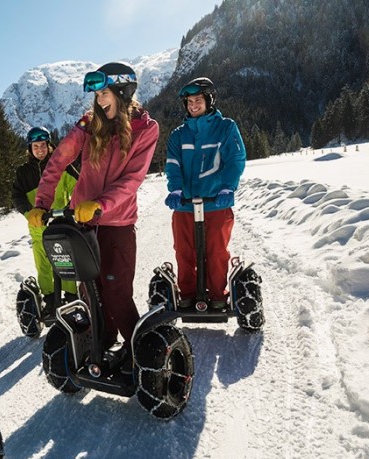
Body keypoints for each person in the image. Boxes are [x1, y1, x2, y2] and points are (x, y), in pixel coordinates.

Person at [27, 62, 159, 355]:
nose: (99, 100)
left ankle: (141, 354)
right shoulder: (88, 126)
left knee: (116, 294)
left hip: (117, 224)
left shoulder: (145, 129)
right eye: (97, 95)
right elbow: (57, 162)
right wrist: (42, 203)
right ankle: (99, 346)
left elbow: (132, 179)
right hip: (82, 224)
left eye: (104, 93)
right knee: (90, 292)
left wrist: (100, 204)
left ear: (123, 92)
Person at [163, 77, 246, 309]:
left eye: (198, 100)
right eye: (189, 102)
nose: (193, 105)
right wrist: (176, 190)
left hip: (216, 203)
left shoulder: (226, 128)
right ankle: (187, 295)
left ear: (209, 101)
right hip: (185, 205)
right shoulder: (178, 135)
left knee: (217, 252)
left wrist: (228, 187)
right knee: (184, 251)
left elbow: (235, 159)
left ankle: (218, 296)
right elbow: (172, 165)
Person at [12, 126, 79, 317]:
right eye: (35, 146)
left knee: (65, 260)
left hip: (61, 221)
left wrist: (72, 206)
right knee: (43, 264)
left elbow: (77, 185)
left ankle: (71, 297)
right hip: (38, 226)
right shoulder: (23, 173)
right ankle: (50, 300)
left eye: (43, 145)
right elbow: (17, 196)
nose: (40, 149)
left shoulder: (61, 165)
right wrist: (28, 212)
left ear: (49, 146)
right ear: (29, 148)